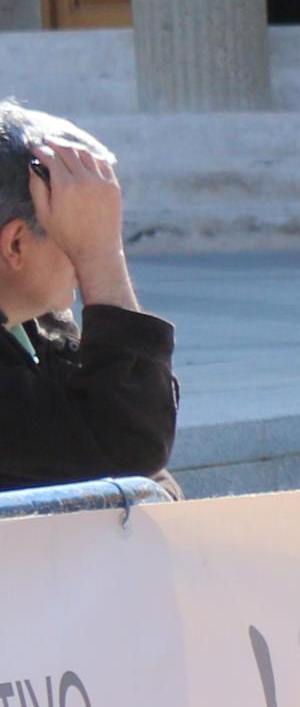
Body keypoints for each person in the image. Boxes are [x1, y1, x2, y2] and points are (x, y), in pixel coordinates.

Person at [0, 106, 171, 490]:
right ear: (15, 244)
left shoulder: (33, 323)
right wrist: (101, 258)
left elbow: (142, 465)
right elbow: (130, 446)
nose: (87, 254)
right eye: (81, 231)